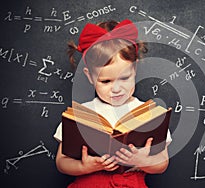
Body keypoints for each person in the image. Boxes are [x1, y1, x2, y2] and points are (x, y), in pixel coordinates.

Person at [53, 19, 172, 188]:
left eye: (124, 78)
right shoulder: (80, 114)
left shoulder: (148, 114)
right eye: (106, 81)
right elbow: (61, 162)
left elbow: (162, 163)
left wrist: (142, 161)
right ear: (89, 76)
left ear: (135, 69)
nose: (116, 89)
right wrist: (84, 166)